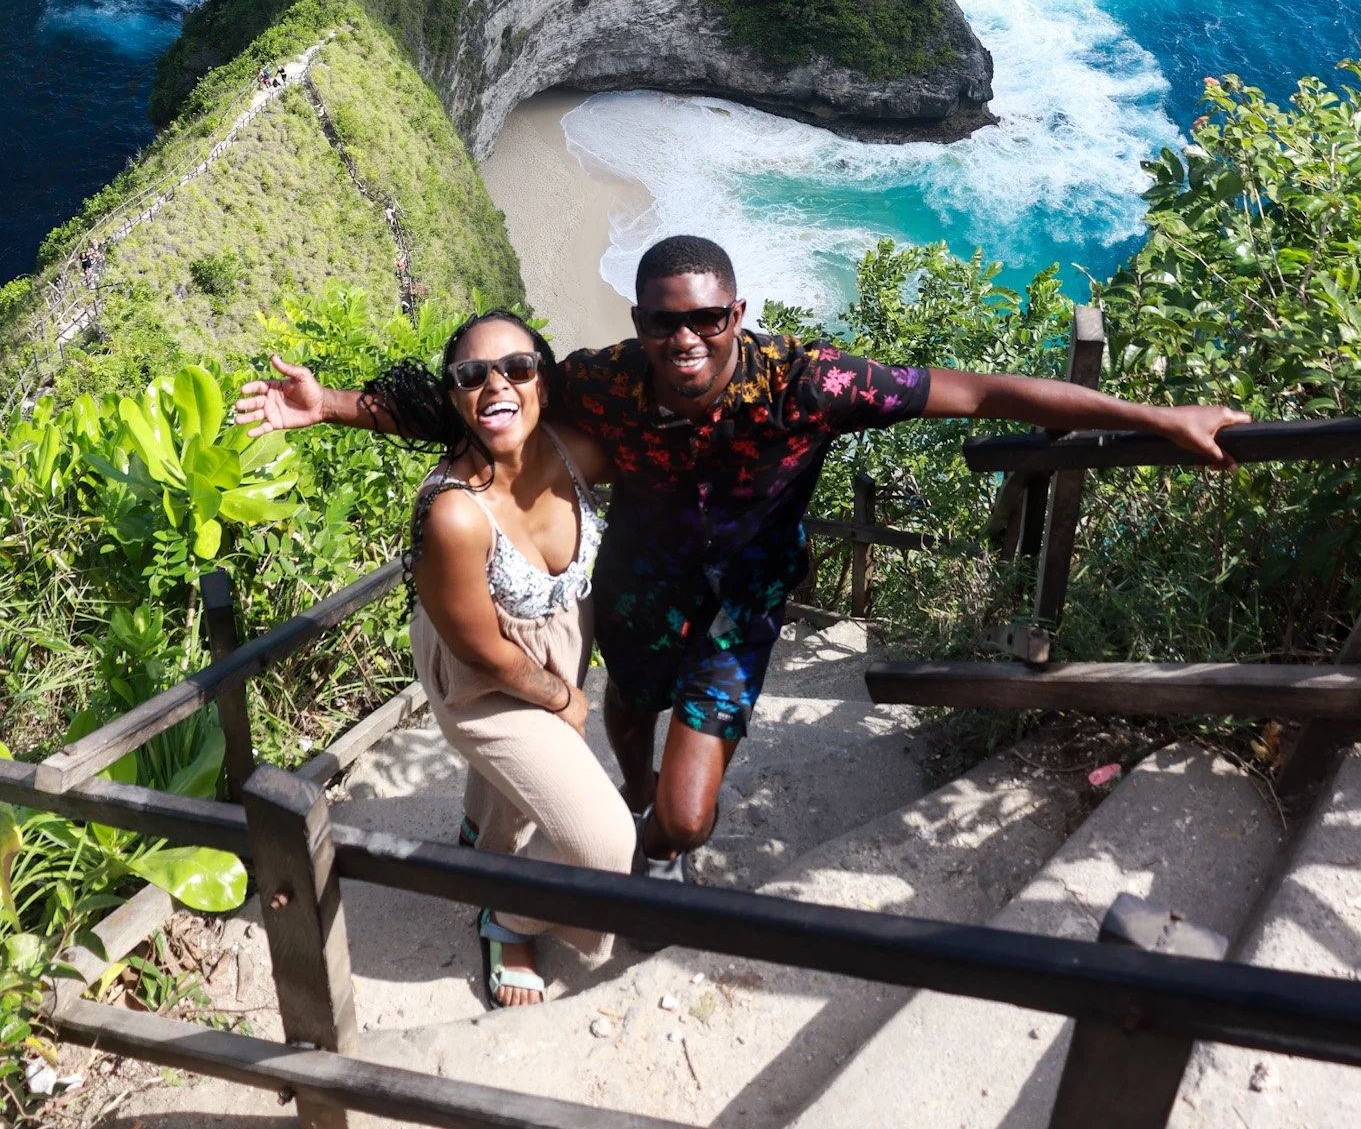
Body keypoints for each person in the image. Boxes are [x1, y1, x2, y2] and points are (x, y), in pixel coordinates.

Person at [239, 234, 1247, 891]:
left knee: (689, 812)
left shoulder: (812, 382)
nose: (685, 336)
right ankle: (622, 824)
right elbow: (478, 399)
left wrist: (1158, 416)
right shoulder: (609, 378)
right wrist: (329, 405)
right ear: (637, 321)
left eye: (706, 317)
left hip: (741, 605)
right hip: (636, 585)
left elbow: (982, 393)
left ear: (738, 312)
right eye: (663, 318)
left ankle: (657, 839)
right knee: (627, 724)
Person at [236, 308, 636, 1011]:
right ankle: (507, 916)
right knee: (604, 843)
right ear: (454, 395)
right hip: (482, 675)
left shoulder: (580, 451)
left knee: (520, 791)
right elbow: (482, 653)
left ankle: (481, 840)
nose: (496, 385)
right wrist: (563, 699)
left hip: (562, 639)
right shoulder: (452, 513)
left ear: (544, 379)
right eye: (471, 376)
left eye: (516, 367)